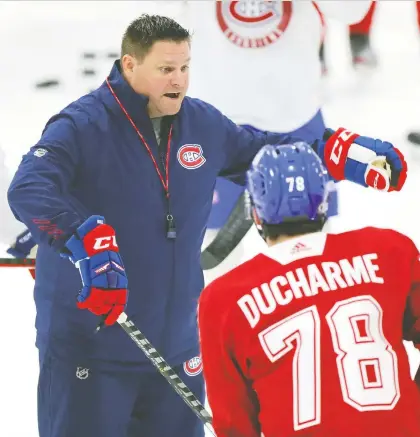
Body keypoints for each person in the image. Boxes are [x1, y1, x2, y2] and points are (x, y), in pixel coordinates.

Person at [7, 14, 407, 437]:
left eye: (184, 68)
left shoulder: (200, 123)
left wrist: (332, 153)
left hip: (175, 350)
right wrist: (80, 235)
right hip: (90, 352)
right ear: (129, 65)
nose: (178, 80)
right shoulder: (82, 126)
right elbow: (29, 187)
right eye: (165, 69)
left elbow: (261, 152)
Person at [198, 142, 419, 437]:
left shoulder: (223, 299)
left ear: (256, 214)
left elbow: (235, 427)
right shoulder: (389, 250)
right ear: (325, 201)